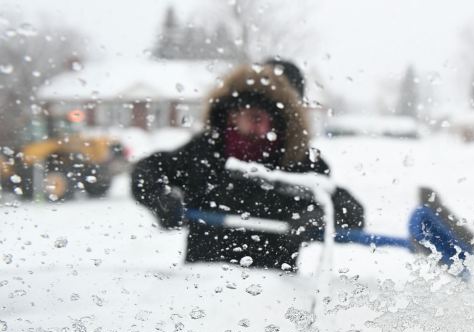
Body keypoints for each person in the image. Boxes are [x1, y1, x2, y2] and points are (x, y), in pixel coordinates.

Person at [131, 61, 365, 270]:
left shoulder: (301, 164)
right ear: (230, 114)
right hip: (201, 297)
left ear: (282, 121)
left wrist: (320, 216)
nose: (258, 126)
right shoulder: (205, 152)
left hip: (274, 300)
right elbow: (147, 171)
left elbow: (350, 211)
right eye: (250, 115)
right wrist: (160, 198)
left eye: (265, 117)